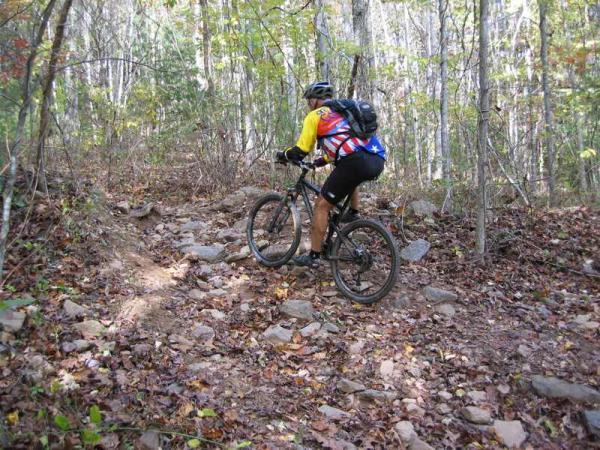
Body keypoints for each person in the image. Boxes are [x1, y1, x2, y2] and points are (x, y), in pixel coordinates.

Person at [276, 81, 386, 268]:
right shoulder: (343, 112)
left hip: (355, 162)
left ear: (314, 100)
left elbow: (301, 150)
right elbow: (341, 145)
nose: (308, 104)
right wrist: (319, 162)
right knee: (350, 175)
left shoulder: (315, 116)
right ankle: (353, 213)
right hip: (377, 159)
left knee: (321, 205)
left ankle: (314, 256)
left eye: (308, 100)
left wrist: (284, 155)